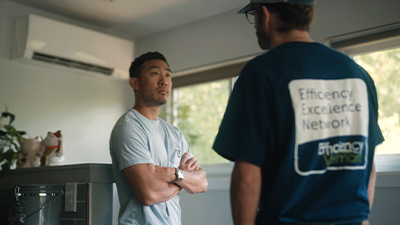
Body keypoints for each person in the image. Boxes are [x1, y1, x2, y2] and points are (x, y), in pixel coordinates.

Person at [213, 0, 384, 225]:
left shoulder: (261, 73)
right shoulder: (358, 74)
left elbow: (247, 176)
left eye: (253, 15)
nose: (255, 24)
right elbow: (369, 165)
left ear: (266, 15)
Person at [110, 52, 208, 225]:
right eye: (155, 73)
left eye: (168, 75)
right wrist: (183, 180)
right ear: (135, 82)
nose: (164, 81)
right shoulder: (128, 127)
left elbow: (201, 182)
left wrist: (173, 173)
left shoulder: (173, 132)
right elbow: (148, 194)